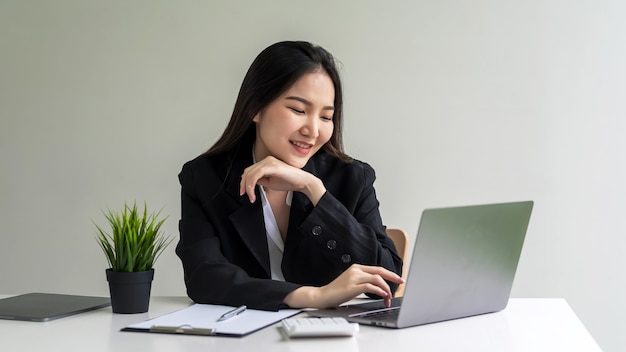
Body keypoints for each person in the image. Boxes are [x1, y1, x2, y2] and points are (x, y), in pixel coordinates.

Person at [176, 41, 404, 311]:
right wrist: (311, 296)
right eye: (298, 110)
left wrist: (313, 189)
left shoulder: (352, 177)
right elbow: (203, 278)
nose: (313, 130)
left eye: (326, 117)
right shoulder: (205, 178)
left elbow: (387, 282)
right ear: (255, 107)